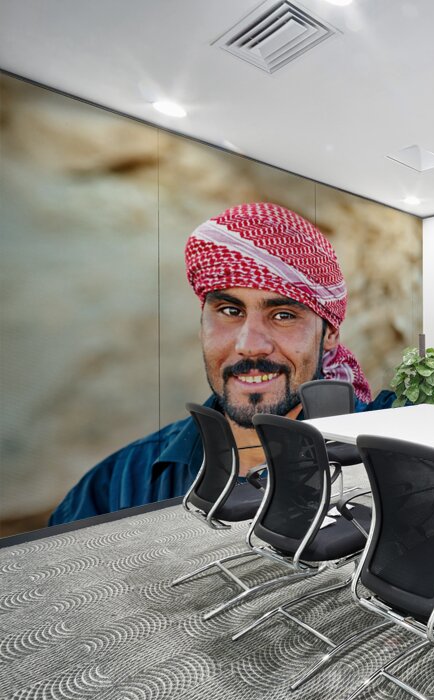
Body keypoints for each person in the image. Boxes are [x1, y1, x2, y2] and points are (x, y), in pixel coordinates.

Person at [49, 203, 394, 526]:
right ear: (202, 322)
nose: (249, 346)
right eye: (230, 311)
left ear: (330, 333)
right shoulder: (118, 484)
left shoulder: (386, 454)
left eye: (284, 315)